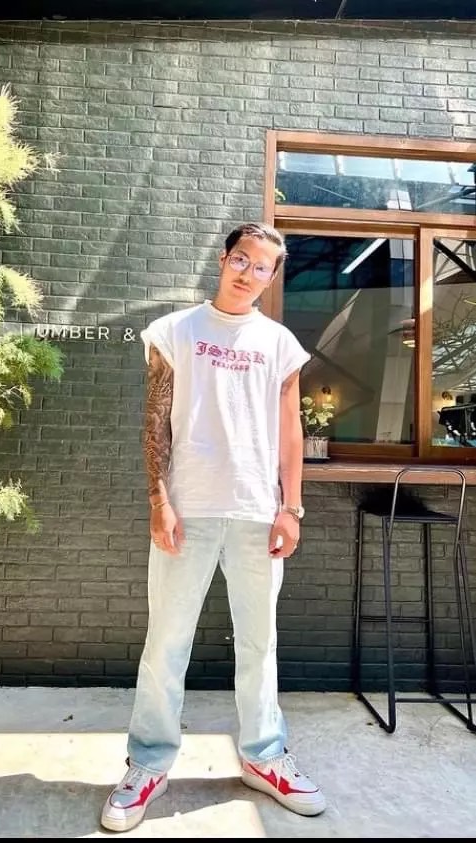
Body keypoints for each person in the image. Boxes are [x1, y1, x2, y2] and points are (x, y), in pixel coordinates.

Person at [100, 222, 326, 832]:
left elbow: (290, 431)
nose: (249, 273)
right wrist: (159, 499)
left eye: (262, 266)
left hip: (258, 511)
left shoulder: (280, 343)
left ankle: (264, 757)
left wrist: (291, 507)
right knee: (166, 643)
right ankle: (148, 763)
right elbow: (155, 419)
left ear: (272, 277)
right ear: (224, 260)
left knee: (259, 644)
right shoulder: (174, 331)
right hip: (189, 509)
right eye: (241, 259)